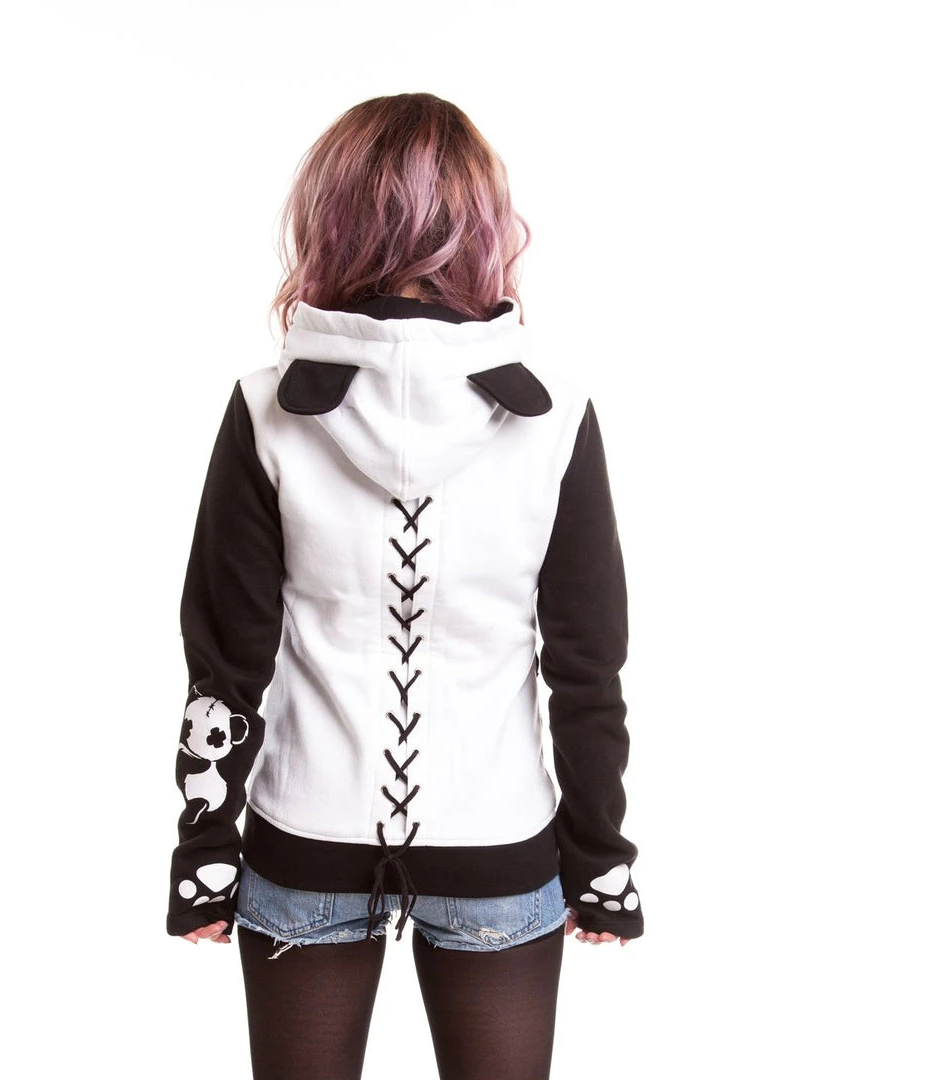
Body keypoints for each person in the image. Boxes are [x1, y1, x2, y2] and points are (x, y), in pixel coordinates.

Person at [166, 91, 644, 1080]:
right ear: (485, 229)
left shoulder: (267, 408)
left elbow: (226, 658)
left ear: (332, 219)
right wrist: (600, 857)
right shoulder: (557, 417)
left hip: (304, 835)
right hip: (499, 838)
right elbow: (588, 667)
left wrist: (204, 847)